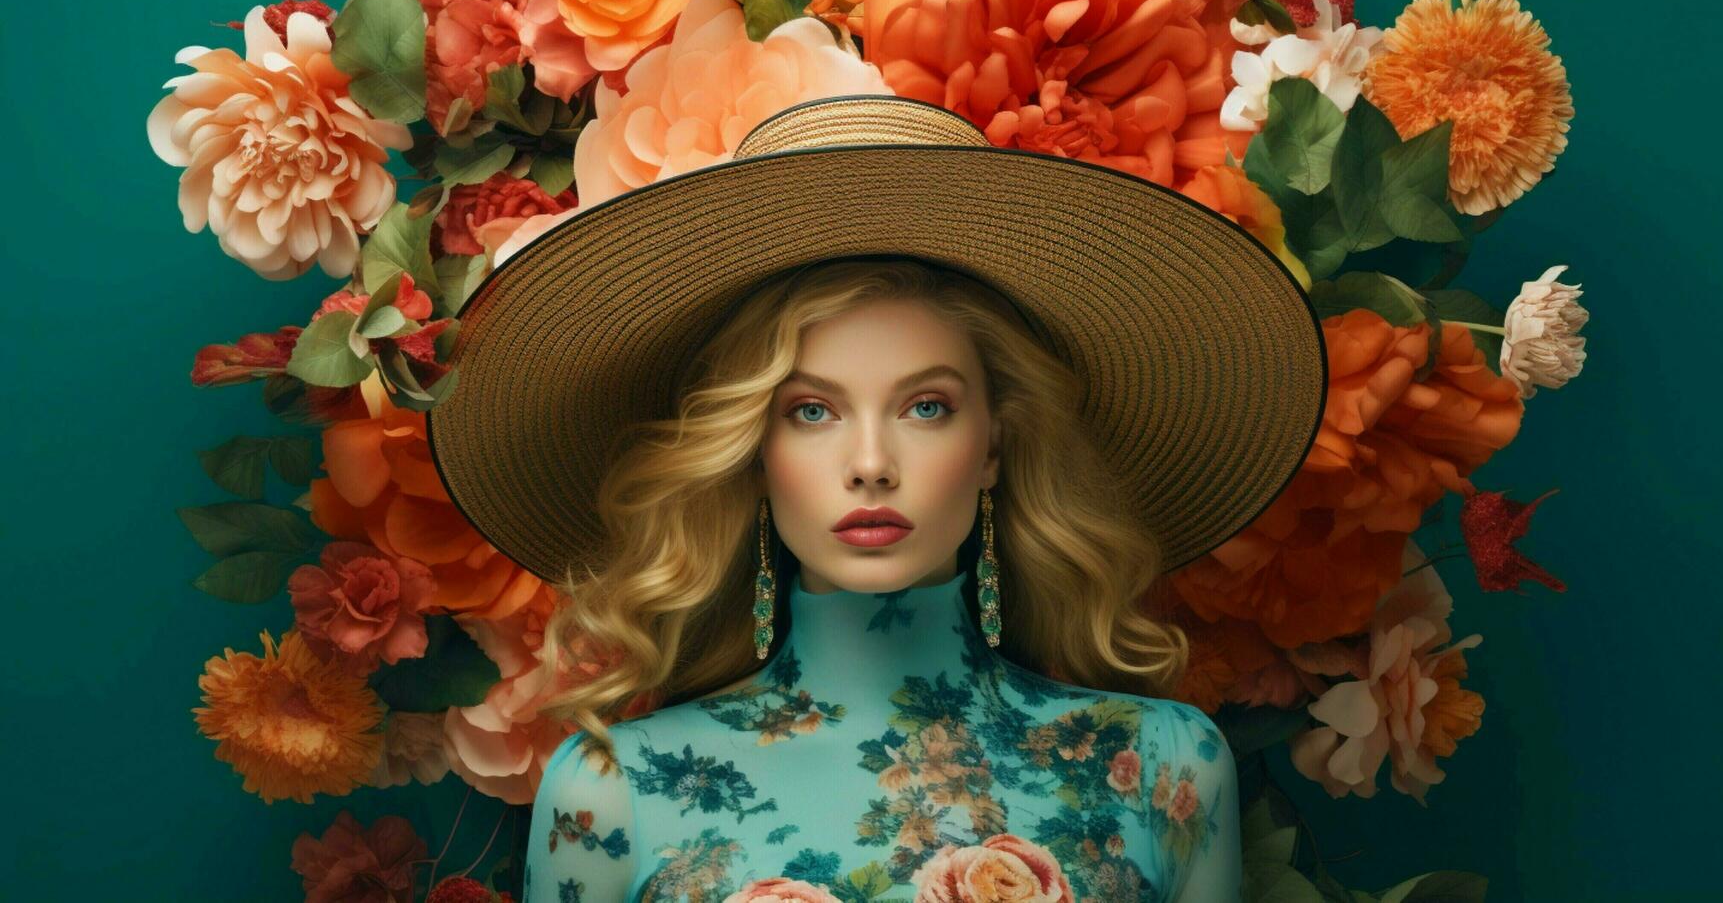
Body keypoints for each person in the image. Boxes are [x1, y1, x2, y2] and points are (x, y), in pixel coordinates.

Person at [425, 95, 1327, 902]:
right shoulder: (615, 789)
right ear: (750, 452)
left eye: (925, 407)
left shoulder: (1162, 767)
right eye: (810, 411)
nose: (869, 463)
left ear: (993, 448)